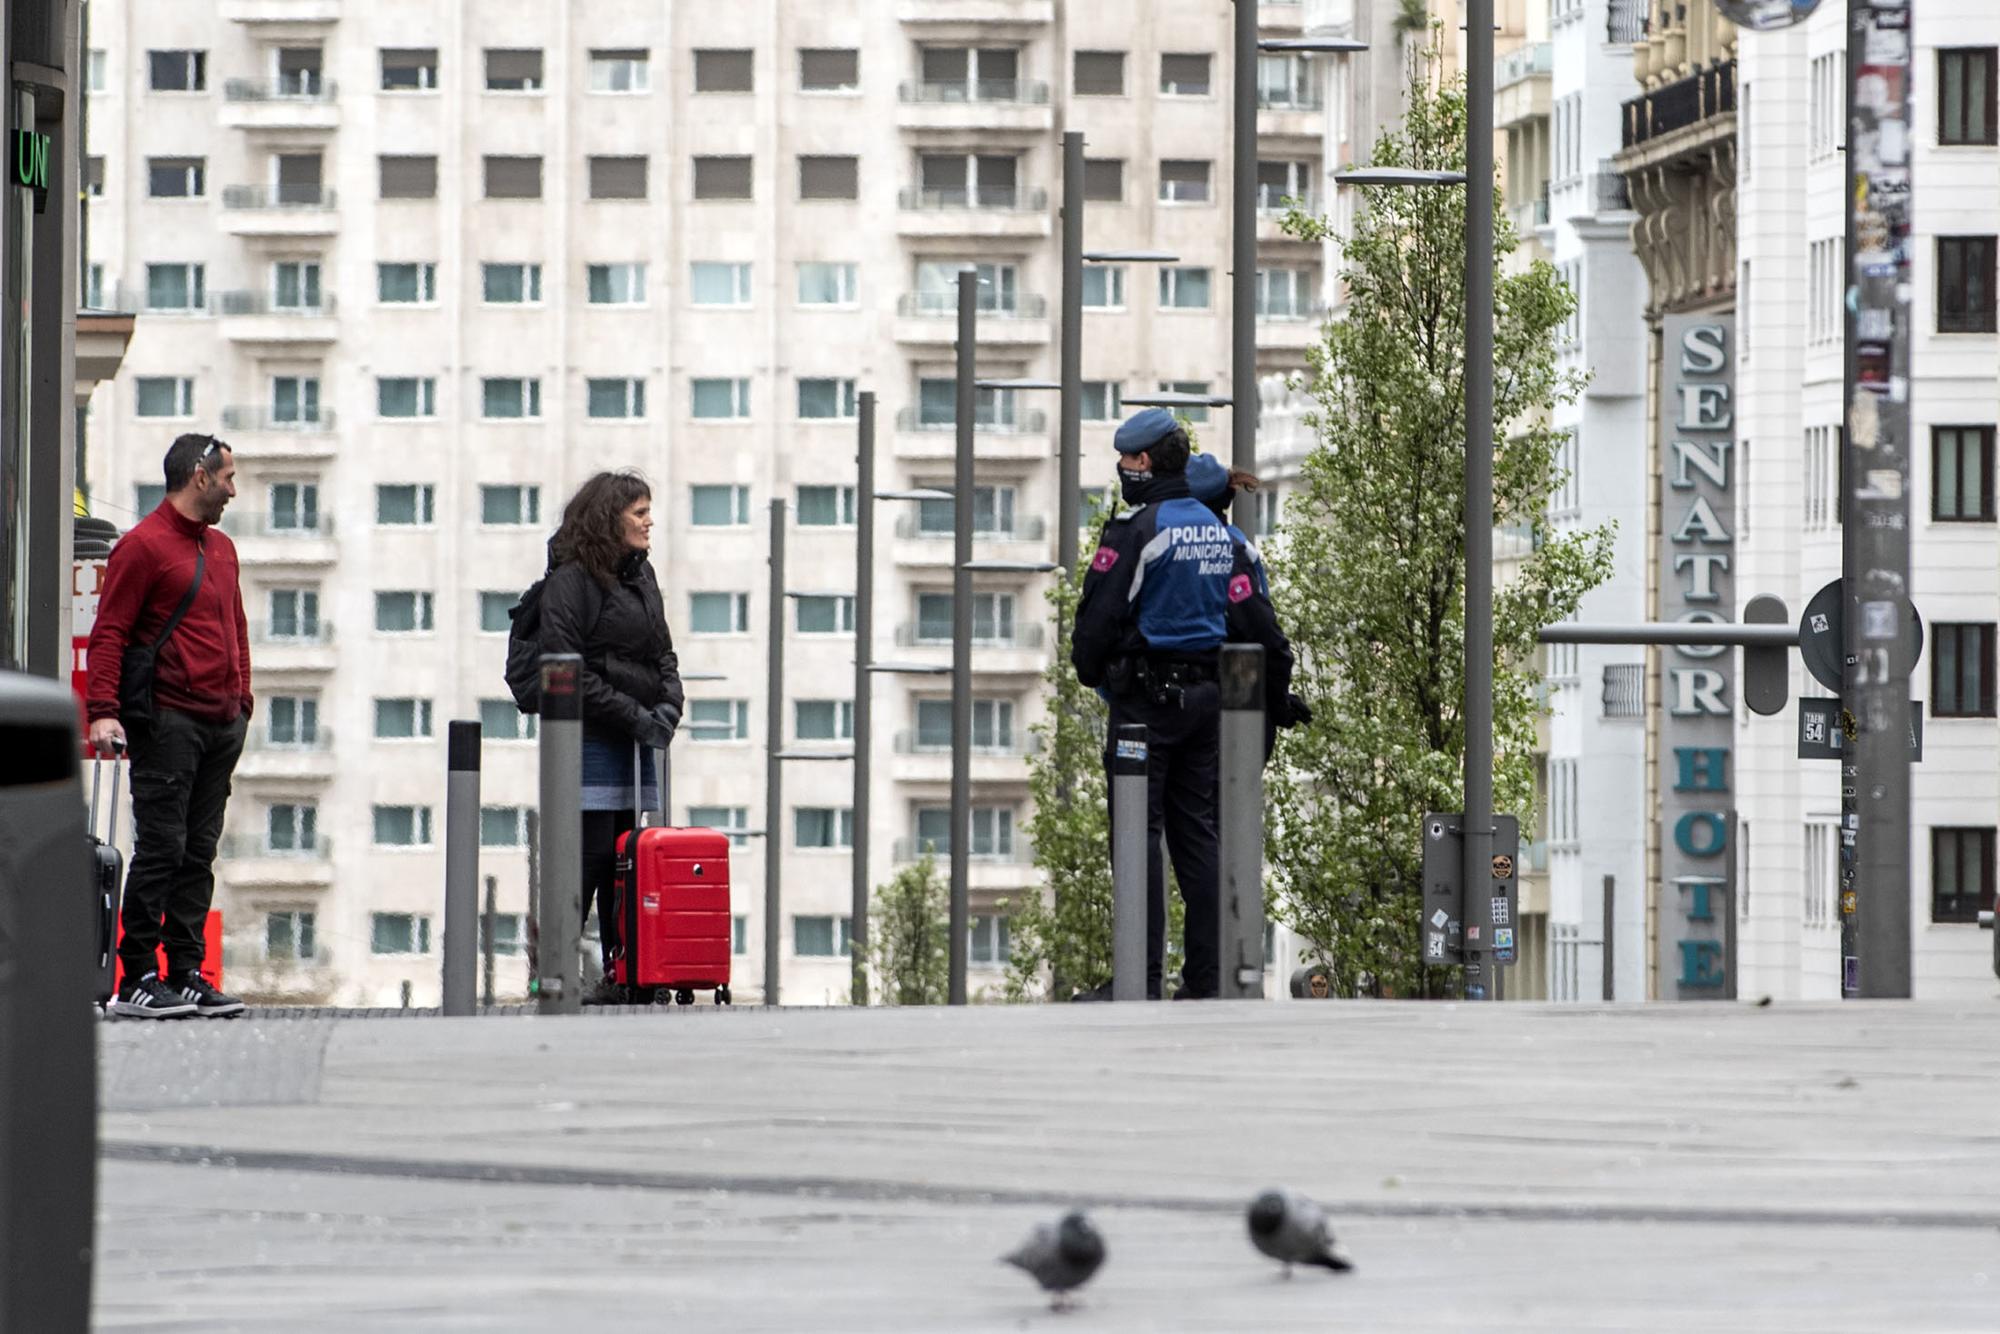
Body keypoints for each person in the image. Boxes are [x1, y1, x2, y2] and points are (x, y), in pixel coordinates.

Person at [1071, 410, 1298, 999]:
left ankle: (1139, 980)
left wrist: (1096, 672)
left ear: (1145, 462)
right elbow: (1257, 625)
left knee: (1137, 839)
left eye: (1126, 459)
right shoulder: (1222, 536)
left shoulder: (1140, 531)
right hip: (1209, 705)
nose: (1122, 467)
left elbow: (1097, 621)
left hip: (1146, 708)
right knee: (1198, 837)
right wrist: (1275, 700)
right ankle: (1206, 980)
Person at [87, 433, 251, 1019]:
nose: (233, 490)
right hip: (168, 720)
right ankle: (136, 976)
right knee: (162, 848)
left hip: (220, 723)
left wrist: (243, 701)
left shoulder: (222, 549)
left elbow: (236, 628)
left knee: (198, 853)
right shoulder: (143, 547)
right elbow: (110, 633)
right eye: (227, 478)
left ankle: (185, 973)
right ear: (200, 477)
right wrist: (103, 711)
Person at [536, 471, 684, 1004]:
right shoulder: (570, 582)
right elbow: (567, 668)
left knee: (627, 862)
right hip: (587, 743)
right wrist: (633, 715)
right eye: (639, 513)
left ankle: (624, 975)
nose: (649, 522)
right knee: (589, 858)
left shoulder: (641, 577)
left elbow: (663, 653)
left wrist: (669, 705)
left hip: (634, 744)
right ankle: (554, 976)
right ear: (608, 518)